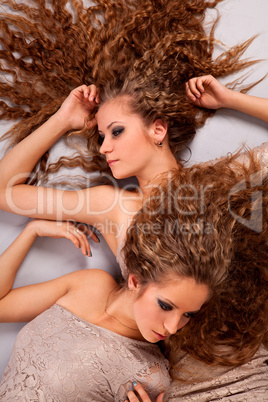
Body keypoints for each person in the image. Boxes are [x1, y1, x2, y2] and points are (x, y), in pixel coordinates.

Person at [0, 0, 267, 394]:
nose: (105, 146)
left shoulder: (217, 183)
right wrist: (62, 119)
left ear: (158, 129)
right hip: (183, 385)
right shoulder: (111, 206)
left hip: (252, 366)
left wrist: (228, 100)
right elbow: (7, 192)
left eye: (117, 131)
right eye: (101, 135)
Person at [0, 199, 232, 400]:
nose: (173, 327)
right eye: (165, 305)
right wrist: (32, 230)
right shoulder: (90, 284)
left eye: (188, 314)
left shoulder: (147, 376)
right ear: (135, 281)